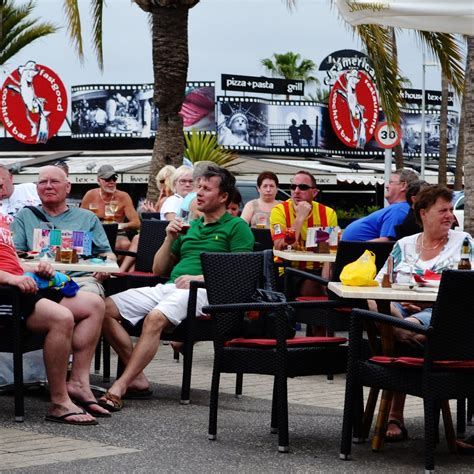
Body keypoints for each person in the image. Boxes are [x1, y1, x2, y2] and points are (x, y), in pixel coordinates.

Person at [98, 165, 254, 410]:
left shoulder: (237, 227)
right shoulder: (189, 227)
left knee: (155, 318)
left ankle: (120, 386)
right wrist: (169, 238)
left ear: (223, 197)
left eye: (206, 189)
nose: (198, 192)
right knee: (102, 307)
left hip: (206, 293)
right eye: (198, 187)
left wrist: (200, 278)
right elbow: (158, 270)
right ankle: (137, 377)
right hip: (171, 287)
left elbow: (241, 274)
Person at [374, 185, 474, 442]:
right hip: (402, 308)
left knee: (405, 330)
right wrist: (402, 298)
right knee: (372, 302)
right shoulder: (404, 244)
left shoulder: (463, 242)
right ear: (423, 213)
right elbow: (379, 283)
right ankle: (403, 330)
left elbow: (469, 288)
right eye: (443, 210)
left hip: (441, 314)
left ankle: (395, 414)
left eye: (451, 210)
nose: (450, 216)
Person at [0, 213, 109, 423]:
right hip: (6, 293)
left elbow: (10, 262)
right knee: (61, 318)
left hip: (19, 286)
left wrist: (37, 268)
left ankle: (78, 383)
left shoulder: (3, 218)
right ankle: (59, 402)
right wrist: (9, 278)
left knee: (93, 305)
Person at [12, 166, 115, 296]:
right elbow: (14, 255)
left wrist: (104, 267)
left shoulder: (87, 217)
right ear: (37, 189)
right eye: (43, 182)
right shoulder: (25, 215)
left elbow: (108, 254)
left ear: (68, 187)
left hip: (81, 281)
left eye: (54, 181)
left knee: (90, 298)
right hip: (39, 280)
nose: (48, 186)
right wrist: (36, 268)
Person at [270, 170, 338, 295]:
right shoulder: (279, 211)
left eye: (302, 187)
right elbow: (280, 244)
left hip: (318, 270)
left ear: (314, 192)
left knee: (318, 283)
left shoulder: (328, 214)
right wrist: (300, 217)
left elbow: (330, 252)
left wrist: (326, 283)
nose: (296, 191)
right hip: (286, 269)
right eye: (293, 186)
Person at [342, 169, 419, 242]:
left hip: (361, 254)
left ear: (403, 185)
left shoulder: (398, 210)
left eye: (390, 182)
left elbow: (385, 242)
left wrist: (352, 247)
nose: (386, 186)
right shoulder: (400, 209)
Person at [81, 164, 140, 253]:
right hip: (95, 232)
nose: (111, 182)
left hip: (117, 233)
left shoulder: (123, 196)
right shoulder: (90, 195)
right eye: (107, 179)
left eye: (114, 178)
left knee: (124, 244)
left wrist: (120, 225)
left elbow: (137, 223)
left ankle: (118, 267)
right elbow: (81, 219)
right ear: (98, 181)